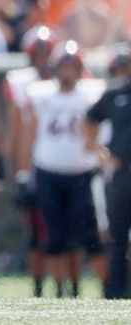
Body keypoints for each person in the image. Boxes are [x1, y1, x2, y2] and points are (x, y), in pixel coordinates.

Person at [20, 41, 108, 298]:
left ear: (80, 69)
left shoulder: (92, 92)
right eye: (63, 67)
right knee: (55, 236)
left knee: (90, 237)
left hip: (84, 172)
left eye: (72, 67)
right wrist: (24, 170)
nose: (67, 72)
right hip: (49, 171)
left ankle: (106, 291)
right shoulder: (40, 92)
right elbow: (30, 133)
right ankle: (60, 291)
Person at [5, 25, 56, 297]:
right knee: (37, 229)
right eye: (37, 53)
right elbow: (15, 132)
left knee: (58, 229)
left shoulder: (68, 78)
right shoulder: (20, 81)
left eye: (45, 53)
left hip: (59, 159)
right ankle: (39, 286)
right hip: (33, 162)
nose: (42, 59)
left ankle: (62, 286)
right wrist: (18, 169)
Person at [84, 42, 131, 299]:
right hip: (123, 174)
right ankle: (115, 292)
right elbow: (89, 120)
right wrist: (102, 154)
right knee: (117, 235)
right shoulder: (115, 94)